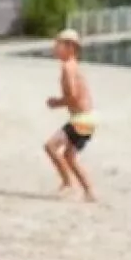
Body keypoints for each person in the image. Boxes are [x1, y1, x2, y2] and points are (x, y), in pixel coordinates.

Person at [42, 28, 98, 202]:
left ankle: (68, 184)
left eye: (58, 45)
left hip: (81, 119)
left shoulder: (68, 68)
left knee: (51, 146)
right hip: (88, 119)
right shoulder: (72, 66)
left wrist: (56, 102)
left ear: (70, 47)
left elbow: (73, 97)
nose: (55, 48)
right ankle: (89, 191)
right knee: (69, 157)